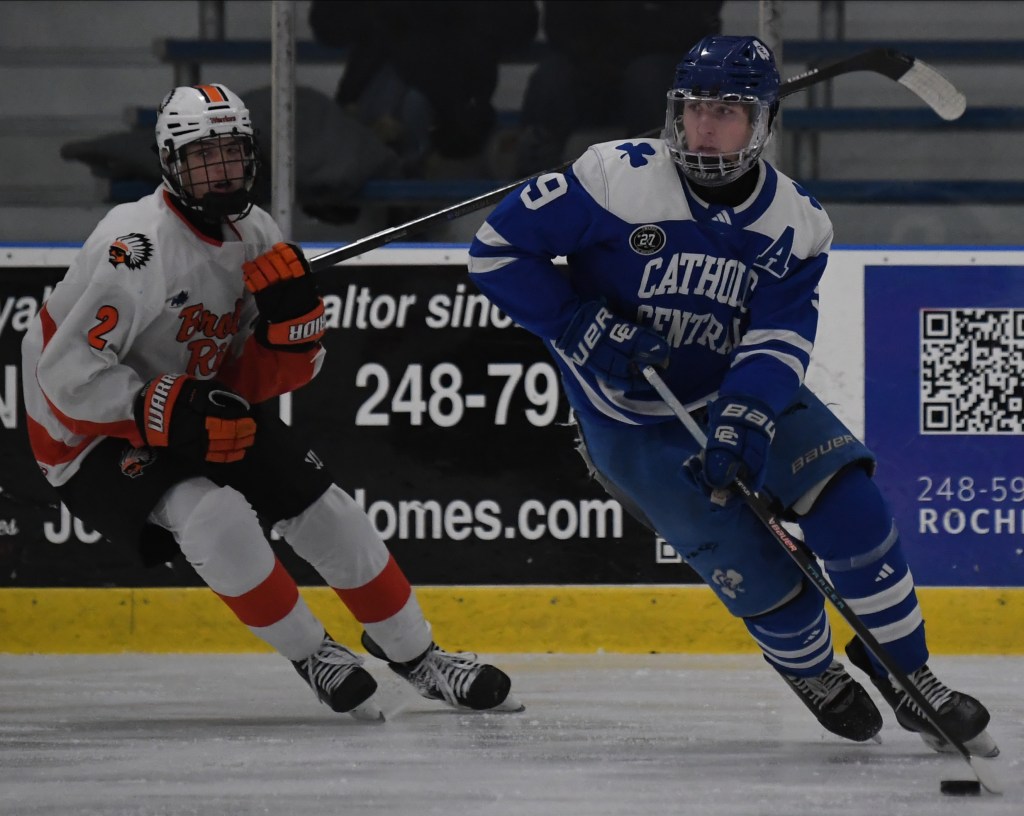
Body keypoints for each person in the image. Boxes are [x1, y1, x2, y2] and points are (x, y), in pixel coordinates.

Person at [468, 36, 998, 753]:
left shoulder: (797, 224)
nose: (704, 128)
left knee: (851, 503)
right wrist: (578, 323)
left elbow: (777, 339)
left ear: (764, 124)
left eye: (727, 112)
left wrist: (745, 416)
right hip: (631, 423)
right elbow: (498, 251)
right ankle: (811, 671)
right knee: (759, 574)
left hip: (729, 387)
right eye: (693, 110)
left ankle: (909, 672)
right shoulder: (611, 179)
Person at [21, 83, 522, 720]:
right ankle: (313, 655)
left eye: (231, 153)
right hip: (88, 435)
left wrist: (294, 327)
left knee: (328, 511)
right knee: (214, 518)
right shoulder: (134, 248)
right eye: (203, 158)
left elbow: (262, 378)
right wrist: (172, 410)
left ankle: (422, 659)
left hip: (193, 403)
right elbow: (64, 379)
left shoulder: (256, 231)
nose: (221, 171)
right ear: (171, 164)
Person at [309, 0, 538, 175]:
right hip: (387, 92)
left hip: (456, 101)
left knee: (416, 103)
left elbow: (520, 27)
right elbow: (328, 25)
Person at [514, 1, 723, 177]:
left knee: (647, 76)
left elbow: (691, 25)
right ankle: (534, 179)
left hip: (659, 58)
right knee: (552, 76)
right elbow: (560, 26)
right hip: (592, 60)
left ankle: (657, 171)